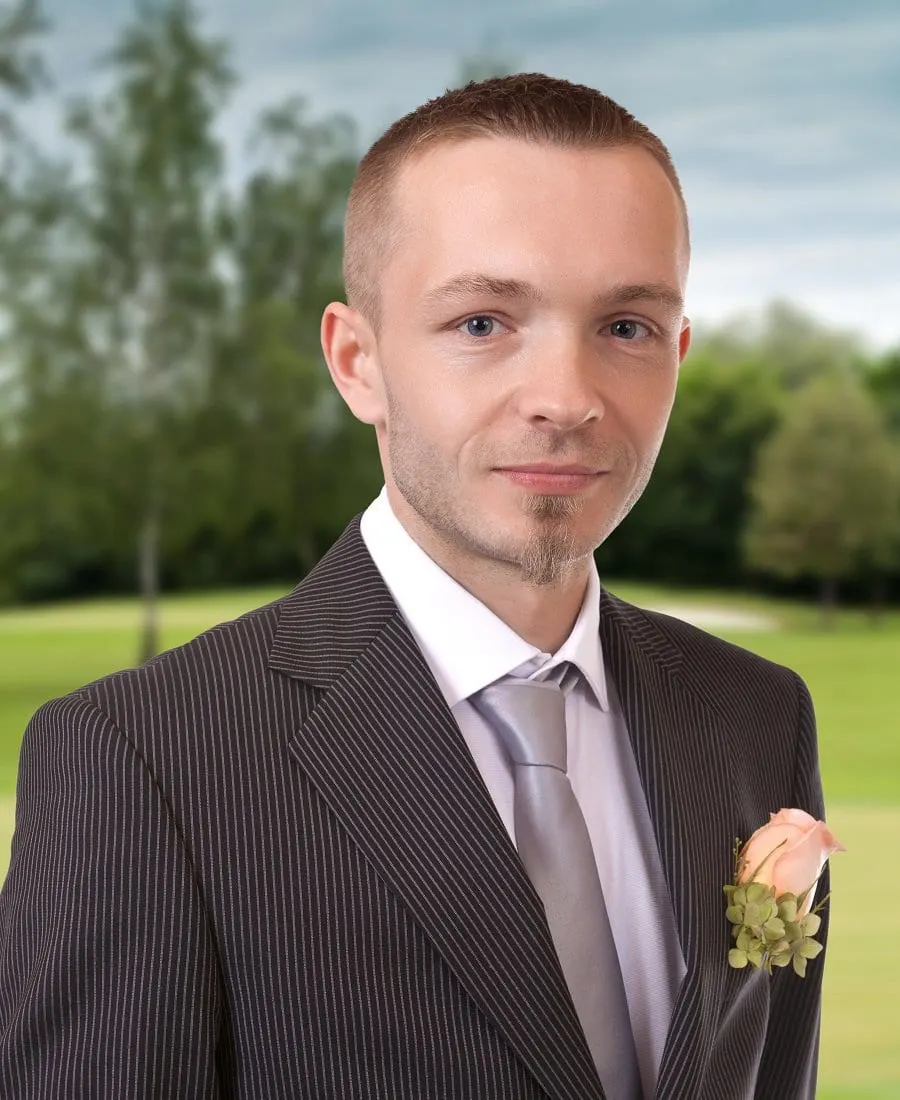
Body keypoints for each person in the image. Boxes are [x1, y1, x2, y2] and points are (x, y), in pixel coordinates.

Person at [0, 74, 829, 1100]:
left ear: (678, 355)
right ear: (358, 362)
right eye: (483, 322)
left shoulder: (757, 712)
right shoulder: (146, 761)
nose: (566, 400)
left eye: (626, 326)